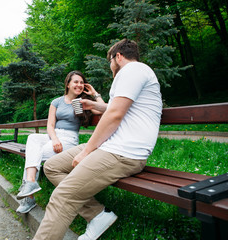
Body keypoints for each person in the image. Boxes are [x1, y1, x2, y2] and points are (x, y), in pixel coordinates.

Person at [32, 39, 163, 240]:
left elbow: (115, 115)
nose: (110, 66)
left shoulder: (133, 70)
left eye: (110, 61)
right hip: (111, 146)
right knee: (52, 166)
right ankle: (97, 214)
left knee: (63, 196)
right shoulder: (136, 73)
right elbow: (116, 108)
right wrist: (93, 105)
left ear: (118, 57)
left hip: (124, 153)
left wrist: (86, 152)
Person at [16, 70, 105, 214]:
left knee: (34, 154)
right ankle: (31, 182)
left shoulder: (82, 102)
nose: (79, 85)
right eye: (76, 82)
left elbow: (105, 110)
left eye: (82, 82)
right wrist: (55, 139)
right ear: (68, 84)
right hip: (54, 136)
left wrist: (94, 93)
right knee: (32, 138)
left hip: (69, 139)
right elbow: (50, 125)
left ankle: (29, 196)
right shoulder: (56, 101)